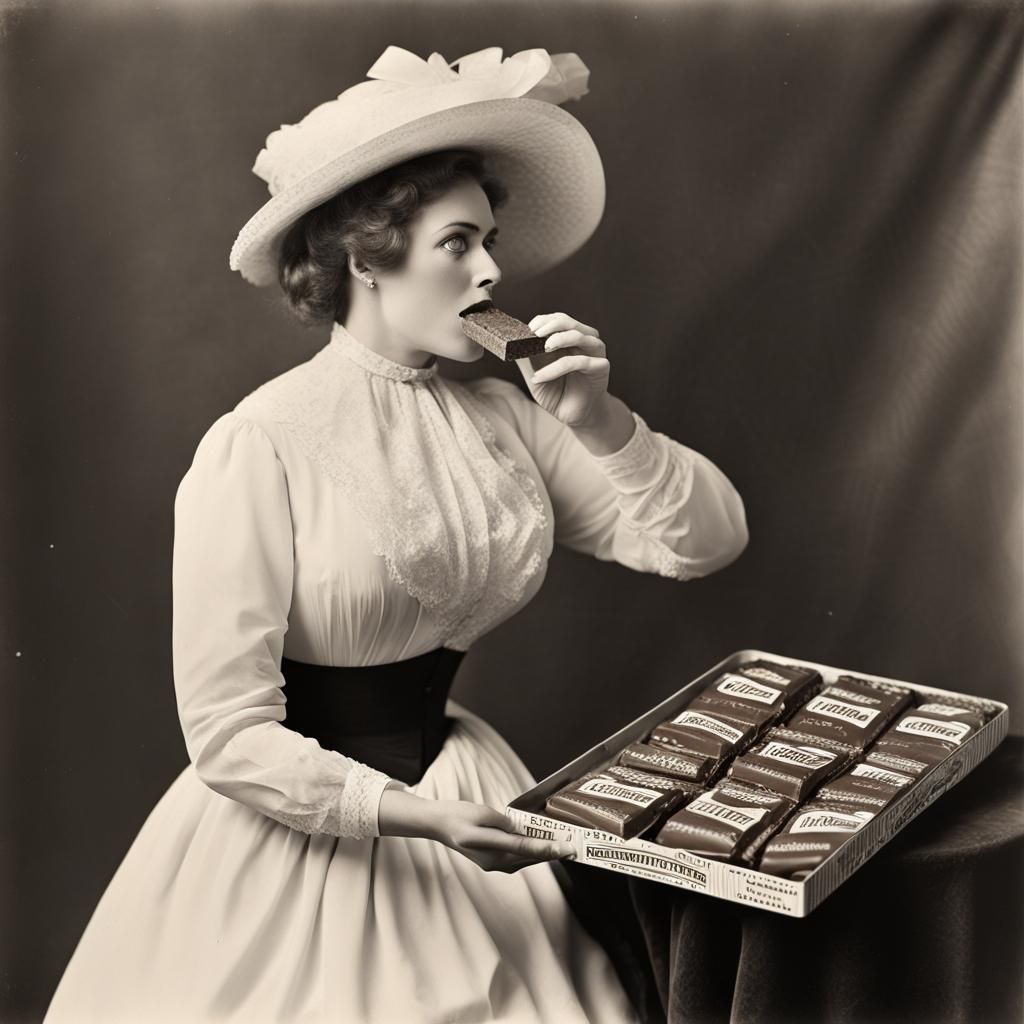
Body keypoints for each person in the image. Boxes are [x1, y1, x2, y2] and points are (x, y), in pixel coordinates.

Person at [44, 45, 748, 1024]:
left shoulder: (505, 420)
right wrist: (425, 821)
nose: (492, 269)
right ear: (368, 259)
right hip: (301, 833)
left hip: (468, 792)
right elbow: (226, 734)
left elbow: (703, 542)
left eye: (489, 240)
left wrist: (600, 420)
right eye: (458, 242)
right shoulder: (261, 441)